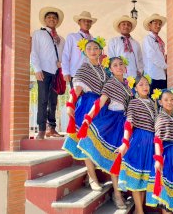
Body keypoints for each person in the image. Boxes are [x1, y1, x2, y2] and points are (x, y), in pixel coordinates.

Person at [77, 57, 133, 209]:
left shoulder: (128, 85)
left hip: (126, 124)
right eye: (115, 65)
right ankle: (116, 194)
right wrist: (87, 120)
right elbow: (100, 102)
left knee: (123, 160)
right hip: (113, 123)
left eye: (121, 64)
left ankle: (120, 191)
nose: (119, 67)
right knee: (115, 159)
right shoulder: (111, 83)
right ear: (111, 69)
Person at [63, 37, 107, 191]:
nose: (93, 51)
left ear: (100, 50)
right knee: (87, 140)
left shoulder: (104, 70)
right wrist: (70, 103)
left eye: (95, 48)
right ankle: (92, 177)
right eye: (89, 49)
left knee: (97, 141)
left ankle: (96, 174)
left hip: (101, 107)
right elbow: (77, 89)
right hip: (87, 105)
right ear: (85, 52)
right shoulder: (83, 68)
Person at [112, 75, 156, 214]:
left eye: (146, 84)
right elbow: (129, 122)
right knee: (136, 178)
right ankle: (140, 211)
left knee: (144, 178)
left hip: (151, 143)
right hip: (139, 141)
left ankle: (138, 209)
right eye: (141, 84)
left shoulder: (152, 103)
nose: (145, 87)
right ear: (135, 88)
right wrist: (125, 143)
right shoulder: (134, 103)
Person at [31, 7, 65, 139]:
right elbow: (34, 52)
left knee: (53, 101)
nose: (52, 19)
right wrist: (37, 69)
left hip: (56, 73)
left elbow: (64, 56)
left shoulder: (61, 39)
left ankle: (52, 127)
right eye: (49, 17)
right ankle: (41, 129)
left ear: (57, 21)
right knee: (43, 99)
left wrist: (61, 64)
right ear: (45, 20)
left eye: (54, 18)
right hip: (43, 71)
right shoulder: (38, 34)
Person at [62, 11, 97, 88]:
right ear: (79, 22)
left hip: (91, 75)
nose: (86, 23)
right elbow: (65, 55)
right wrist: (65, 72)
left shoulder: (94, 40)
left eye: (89, 21)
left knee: (88, 98)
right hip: (76, 73)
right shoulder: (72, 37)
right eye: (84, 21)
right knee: (76, 98)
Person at [142, 13, 168, 92]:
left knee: (161, 101)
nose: (158, 26)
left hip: (161, 75)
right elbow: (151, 55)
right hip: (152, 75)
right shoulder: (147, 39)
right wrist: (165, 66)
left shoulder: (160, 40)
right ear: (149, 25)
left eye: (160, 24)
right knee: (152, 101)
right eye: (155, 23)